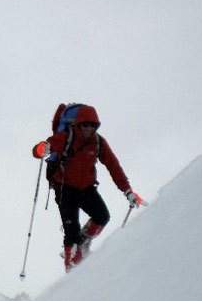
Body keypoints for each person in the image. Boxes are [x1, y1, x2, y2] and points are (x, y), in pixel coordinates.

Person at [32, 105, 143, 272]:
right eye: (85, 125)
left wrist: (127, 190)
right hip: (64, 188)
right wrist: (41, 148)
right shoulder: (65, 138)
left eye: (93, 125)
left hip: (86, 188)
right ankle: (72, 270)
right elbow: (40, 148)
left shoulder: (98, 142)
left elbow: (113, 166)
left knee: (102, 216)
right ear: (78, 124)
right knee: (71, 231)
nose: (89, 128)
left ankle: (82, 246)